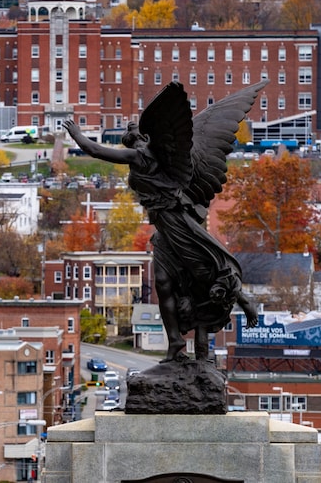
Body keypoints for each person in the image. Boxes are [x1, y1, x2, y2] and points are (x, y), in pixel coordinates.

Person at [62, 81, 265, 362]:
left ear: (143, 136)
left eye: (133, 127)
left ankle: (243, 300)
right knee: (163, 282)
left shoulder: (141, 155)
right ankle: (176, 343)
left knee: (204, 269)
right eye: (130, 129)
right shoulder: (148, 155)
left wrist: (76, 134)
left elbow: (95, 151)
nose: (131, 127)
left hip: (175, 220)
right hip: (164, 226)